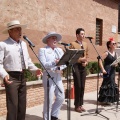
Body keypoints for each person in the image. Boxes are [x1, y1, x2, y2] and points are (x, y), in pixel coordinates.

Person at [0, 20, 42, 120]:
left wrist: (35, 69)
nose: (20, 31)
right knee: (13, 106)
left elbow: (27, 60)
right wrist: (4, 74)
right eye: (17, 29)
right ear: (10, 31)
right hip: (11, 78)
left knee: (22, 106)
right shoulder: (3, 44)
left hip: (22, 76)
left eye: (20, 29)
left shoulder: (23, 44)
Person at [38, 32, 66, 120]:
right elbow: (43, 64)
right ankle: (46, 117)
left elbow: (65, 63)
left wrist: (60, 67)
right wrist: (54, 62)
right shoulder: (43, 50)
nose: (55, 40)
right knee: (49, 100)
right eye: (53, 38)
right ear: (47, 40)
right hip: (48, 76)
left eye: (55, 38)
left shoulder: (59, 50)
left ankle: (54, 115)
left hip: (58, 76)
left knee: (61, 97)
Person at [69, 28, 88, 113]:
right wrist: (81, 60)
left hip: (83, 67)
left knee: (83, 86)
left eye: (84, 34)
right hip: (76, 66)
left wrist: (86, 62)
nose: (83, 35)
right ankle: (76, 105)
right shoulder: (72, 44)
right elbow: (71, 58)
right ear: (77, 35)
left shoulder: (86, 44)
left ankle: (81, 104)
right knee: (78, 86)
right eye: (81, 34)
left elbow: (87, 55)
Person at [98, 37, 118, 104]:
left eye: (115, 43)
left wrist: (116, 64)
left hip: (113, 71)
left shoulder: (116, 53)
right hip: (107, 70)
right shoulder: (106, 53)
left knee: (112, 83)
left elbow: (116, 62)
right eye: (113, 43)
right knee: (106, 84)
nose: (115, 44)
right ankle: (105, 100)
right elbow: (100, 60)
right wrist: (102, 69)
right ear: (109, 45)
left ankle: (110, 100)